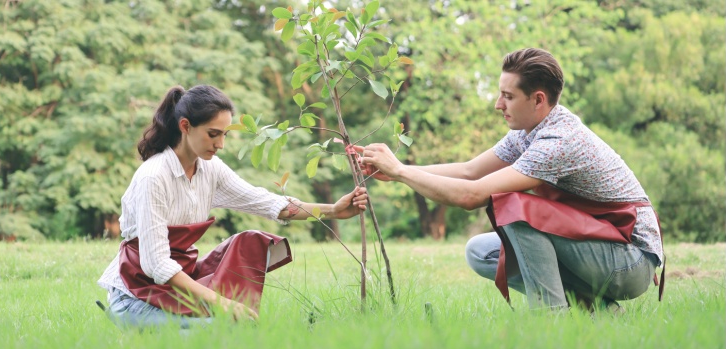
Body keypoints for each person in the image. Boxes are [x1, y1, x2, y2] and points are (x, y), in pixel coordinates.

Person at [358, 48, 664, 311]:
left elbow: (471, 195)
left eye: (508, 96)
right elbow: (470, 171)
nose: (497, 105)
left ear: (538, 99)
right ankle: (598, 311)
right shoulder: (528, 130)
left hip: (630, 262)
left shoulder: (559, 140)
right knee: (482, 252)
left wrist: (401, 171)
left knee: (515, 211)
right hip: (597, 247)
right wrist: (398, 172)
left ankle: (550, 319)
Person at [97, 85, 368, 328]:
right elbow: (157, 265)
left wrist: (333, 210)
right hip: (137, 295)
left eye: (224, 134)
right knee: (216, 332)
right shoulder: (153, 177)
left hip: (179, 290)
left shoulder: (210, 169)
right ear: (185, 126)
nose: (221, 144)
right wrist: (222, 303)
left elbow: (266, 202)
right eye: (213, 134)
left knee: (250, 243)